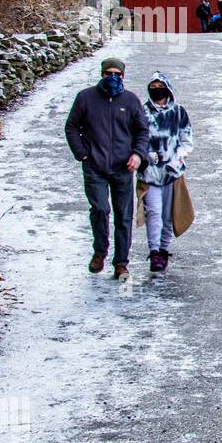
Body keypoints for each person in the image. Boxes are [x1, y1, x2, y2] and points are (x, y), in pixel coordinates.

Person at [64, 58, 150, 279]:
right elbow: (72, 126)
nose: (112, 78)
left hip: (123, 167)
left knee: (124, 216)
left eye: (117, 74)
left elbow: (142, 131)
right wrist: (81, 153)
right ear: (101, 74)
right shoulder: (85, 98)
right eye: (108, 73)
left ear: (123, 76)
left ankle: (121, 262)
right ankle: (99, 252)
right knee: (100, 209)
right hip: (95, 165)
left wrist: (137, 154)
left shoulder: (131, 101)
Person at [140, 72, 193, 273]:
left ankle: (163, 248)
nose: (156, 90)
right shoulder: (142, 112)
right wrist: (145, 154)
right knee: (153, 211)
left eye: (159, 86)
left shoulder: (178, 113)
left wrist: (177, 158)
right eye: (152, 87)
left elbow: (186, 140)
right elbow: (135, 137)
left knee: (169, 213)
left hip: (173, 171)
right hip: (150, 171)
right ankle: (154, 251)